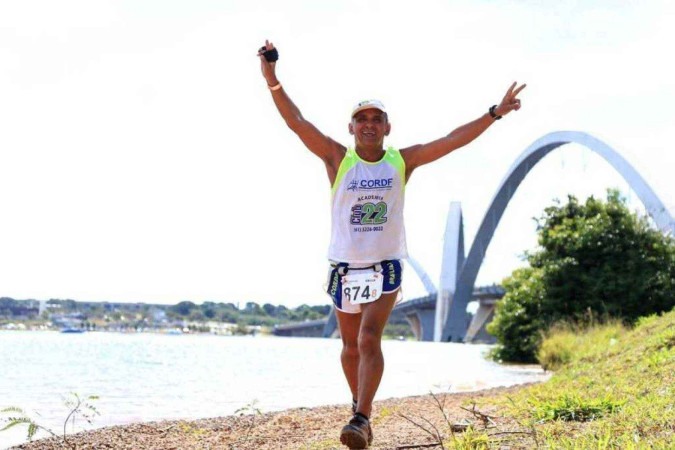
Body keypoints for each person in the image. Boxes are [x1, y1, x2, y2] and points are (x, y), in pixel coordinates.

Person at [258, 39, 525, 449]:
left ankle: (362, 419)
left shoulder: (402, 160)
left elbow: (453, 140)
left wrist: (494, 113)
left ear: (387, 127)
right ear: (351, 128)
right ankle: (358, 405)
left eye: (376, 118)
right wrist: (272, 79)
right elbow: (297, 122)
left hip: (385, 265)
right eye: (360, 118)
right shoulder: (336, 158)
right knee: (349, 347)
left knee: (368, 338)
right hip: (345, 267)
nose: (368, 124)